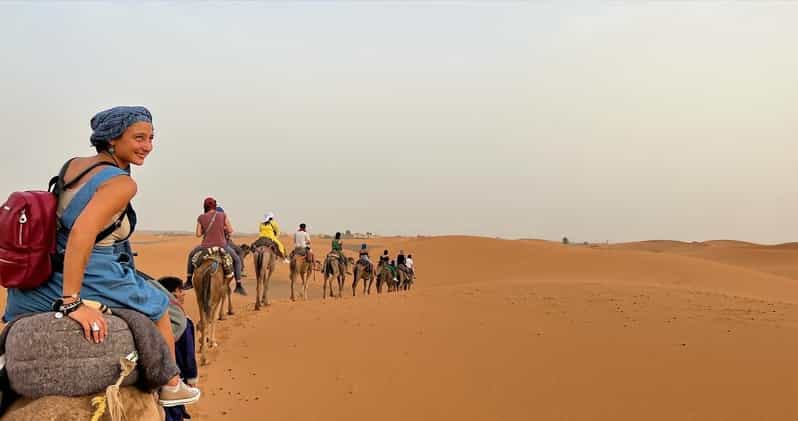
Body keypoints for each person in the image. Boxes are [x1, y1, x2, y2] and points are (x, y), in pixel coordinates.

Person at [3, 106, 200, 407]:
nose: (147, 146)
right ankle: (170, 384)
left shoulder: (72, 166)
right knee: (161, 307)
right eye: (138, 138)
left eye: (150, 138)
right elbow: (82, 234)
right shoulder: (122, 183)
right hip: (93, 271)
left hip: (41, 274)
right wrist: (73, 302)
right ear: (112, 140)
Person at [183, 197, 246, 295]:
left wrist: (206, 229)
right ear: (214, 206)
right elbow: (230, 230)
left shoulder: (201, 217)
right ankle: (238, 284)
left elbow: (198, 234)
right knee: (237, 259)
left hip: (205, 247)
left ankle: (188, 281)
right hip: (222, 245)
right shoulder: (222, 215)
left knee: (191, 255)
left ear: (205, 206)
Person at [157, 277, 198, 421]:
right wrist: (192, 376)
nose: (184, 294)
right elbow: (189, 355)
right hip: (174, 377)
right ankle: (236, 280)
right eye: (181, 290)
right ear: (173, 294)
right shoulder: (183, 322)